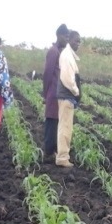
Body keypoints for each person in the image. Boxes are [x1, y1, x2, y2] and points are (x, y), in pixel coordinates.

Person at [42, 24, 69, 160]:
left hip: (59, 94)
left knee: (57, 122)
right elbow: (47, 73)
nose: (66, 39)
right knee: (51, 122)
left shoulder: (61, 52)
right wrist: (45, 92)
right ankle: (48, 152)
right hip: (53, 93)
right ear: (58, 35)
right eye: (65, 36)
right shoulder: (53, 51)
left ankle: (54, 150)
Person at [55, 30, 82, 168]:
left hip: (67, 96)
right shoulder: (66, 56)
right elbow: (67, 79)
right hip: (67, 95)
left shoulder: (68, 55)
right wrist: (76, 91)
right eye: (76, 40)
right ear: (70, 40)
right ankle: (62, 157)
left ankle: (63, 155)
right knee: (65, 127)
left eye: (79, 41)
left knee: (65, 127)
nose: (78, 43)